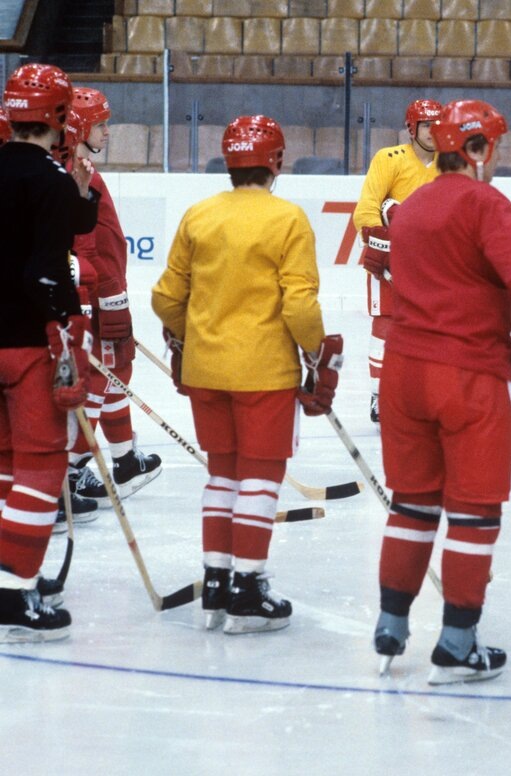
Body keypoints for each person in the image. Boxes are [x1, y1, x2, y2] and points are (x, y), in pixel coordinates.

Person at [373, 99, 511, 684]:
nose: (497, 159)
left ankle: (391, 623)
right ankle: (457, 642)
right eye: (495, 147)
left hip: (403, 373)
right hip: (468, 375)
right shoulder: (485, 202)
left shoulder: (409, 207)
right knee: (474, 512)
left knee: (412, 502)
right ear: (477, 149)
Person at [152, 115, 339, 635]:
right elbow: (299, 305)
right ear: (275, 161)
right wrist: (317, 354)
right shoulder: (287, 219)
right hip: (264, 371)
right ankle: (248, 588)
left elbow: (167, 297)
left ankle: (215, 579)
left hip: (206, 369)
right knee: (259, 477)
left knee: (222, 474)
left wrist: (186, 338)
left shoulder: (199, 214)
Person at [0, 63, 99, 641]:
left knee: (5, 466)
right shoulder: (50, 180)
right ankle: (15, 593)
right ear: (59, 117)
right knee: (41, 466)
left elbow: (63, 219)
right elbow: (48, 269)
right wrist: (68, 326)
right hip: (28, 347)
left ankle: (10, 579)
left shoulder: (52, 182)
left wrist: (80, 194)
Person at [64, 87, 162, 515]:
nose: (107, 131)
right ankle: (71, 468)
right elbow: (85, 248)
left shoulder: (81, 168)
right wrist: (103, 303)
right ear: (80, 128)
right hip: (99, 297)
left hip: (103, 292)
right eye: (101, 124)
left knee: (116, 369)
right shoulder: (79, 173)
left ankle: (123, 459)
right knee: (100, 381)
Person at [353, 98, 441, 425]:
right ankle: (380, 396)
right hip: (391, 256)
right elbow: (367, 207)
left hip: (432, 263)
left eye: (438, 124)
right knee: (386, 326)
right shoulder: (389, 159)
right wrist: (381, 244)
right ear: (412, 127)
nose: (433, 132)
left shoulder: (452, 162)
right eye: (426, 125)